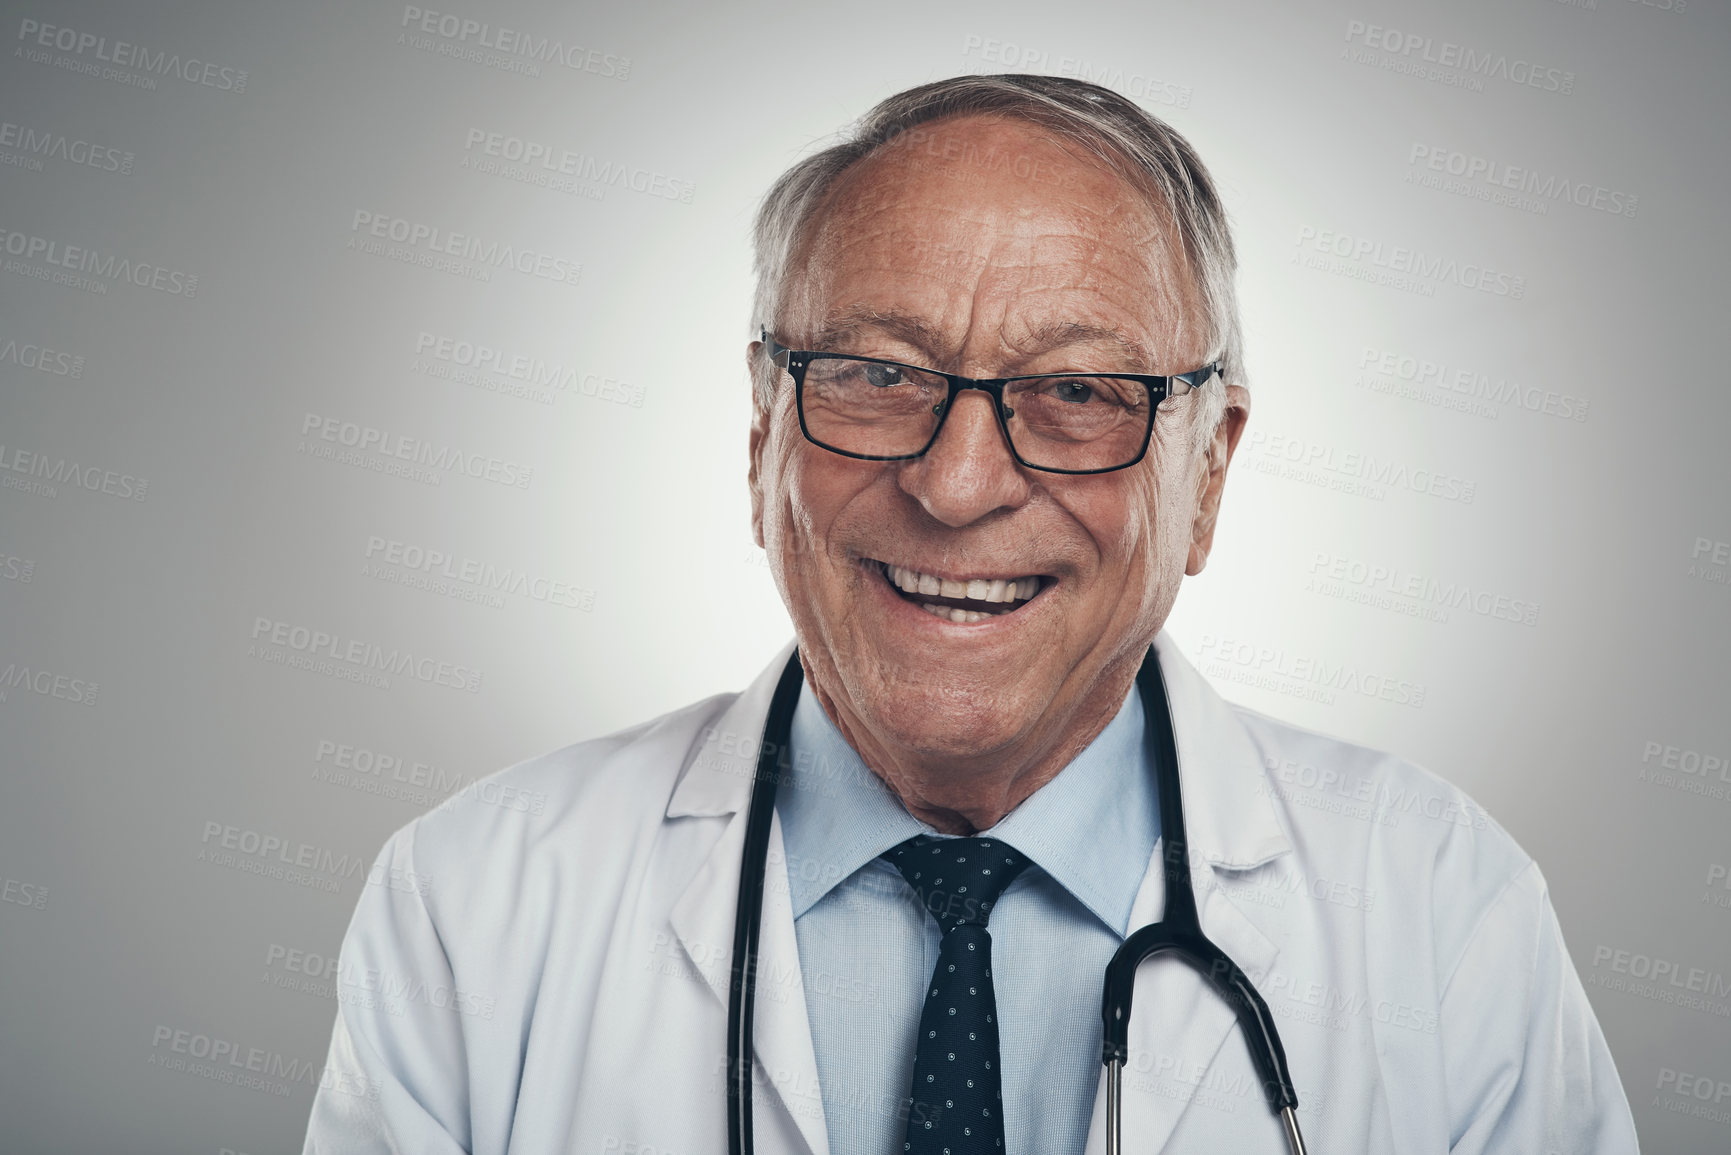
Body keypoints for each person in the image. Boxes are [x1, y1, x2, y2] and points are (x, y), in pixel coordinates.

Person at [302, 75, 1638, 1154]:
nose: (954, 485)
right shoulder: (473, 906)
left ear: (1208, 472)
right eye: (879, 373)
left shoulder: (1447, 916)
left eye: (1077, 395)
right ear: (764, 431)